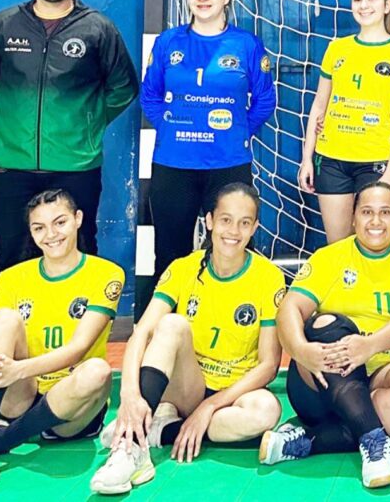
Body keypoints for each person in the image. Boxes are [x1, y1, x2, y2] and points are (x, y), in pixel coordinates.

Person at [0, 189, 124, 500]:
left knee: (97, 370)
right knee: (5, 318)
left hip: (71, 408)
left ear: (78, 220)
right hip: (20, 396)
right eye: (39, 228)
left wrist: (14, 370)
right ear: (31, 232)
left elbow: (78, 349)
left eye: (59, 223)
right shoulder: (13, 278)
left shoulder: (106, 274)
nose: (50, 235)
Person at [90, 183, 284, 494]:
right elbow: (141, 334)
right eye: (225, 220)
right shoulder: (183, 268)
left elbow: (269, 365)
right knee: (172, 325)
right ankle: (130, 449)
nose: (233, 230)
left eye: (244, 222)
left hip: (232, 394)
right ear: (209, 221)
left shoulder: (268, 276)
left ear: (255, 228)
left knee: (267, 410)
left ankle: (159, 430)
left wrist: (207, 409)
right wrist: (129, 394)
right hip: (186, 386)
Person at [260, 181, 390, 489]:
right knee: (327, 324)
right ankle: (374, 441)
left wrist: (370, 346)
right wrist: (302, 350)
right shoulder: (329, 257)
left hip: (388, 368)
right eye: (367, 212)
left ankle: (313, 441)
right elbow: (289, 310)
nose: (375, 221)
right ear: (353, 217)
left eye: (385, 212)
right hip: (322, 381)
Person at [0, 0, 138, 274]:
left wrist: (85, 121)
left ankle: (82, 326)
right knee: (12, 259)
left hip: (75, 166)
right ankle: (15, 328)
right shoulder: (3, 25)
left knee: (80, 255)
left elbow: (124, 88)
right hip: (13, 166)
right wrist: (17, 115)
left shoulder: (98, 29)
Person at [135, 0, 275, 319]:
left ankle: (230, 325)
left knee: (230, 250)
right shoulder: (169, 42)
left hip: (227, 166)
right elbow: (150, 94)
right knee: (170, 253)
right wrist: (170, 127)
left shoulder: (246, 44)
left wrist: (238, 131)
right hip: (174, 164)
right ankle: (160, 332)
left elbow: (264, 100)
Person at [298, 0, 390, 243]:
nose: (363, 5)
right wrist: (307, 157)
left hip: (376, 162)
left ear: (387, 5)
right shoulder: (336, 49)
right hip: (330, 161)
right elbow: (319, 105)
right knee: (339, 245)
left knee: (374, 243)